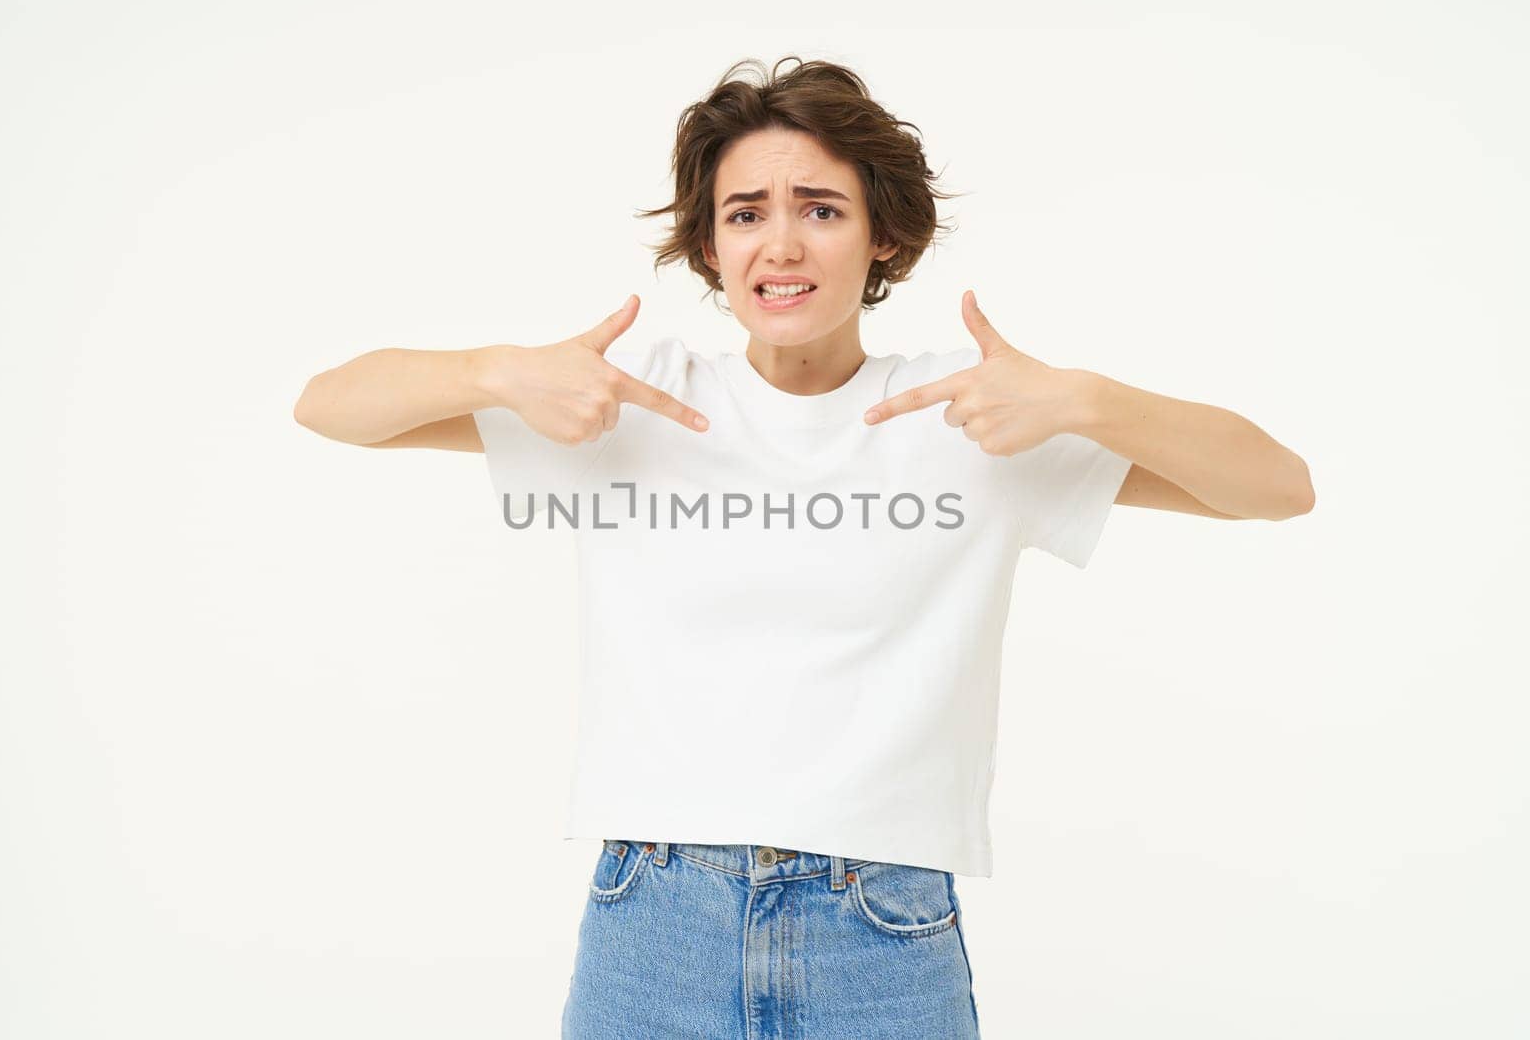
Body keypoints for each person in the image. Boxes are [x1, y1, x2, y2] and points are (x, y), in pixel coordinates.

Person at [293, 55, 1314, 1040]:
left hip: (880, 937)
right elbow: (330, 406)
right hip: (652, 929)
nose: (780, 244)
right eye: (746, 214)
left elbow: (1276, 487)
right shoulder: (625, 399)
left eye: (820, 208)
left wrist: (1087, 399)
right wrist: (498, 371)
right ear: (709, 248)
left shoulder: (973, 416)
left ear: (880, 236)